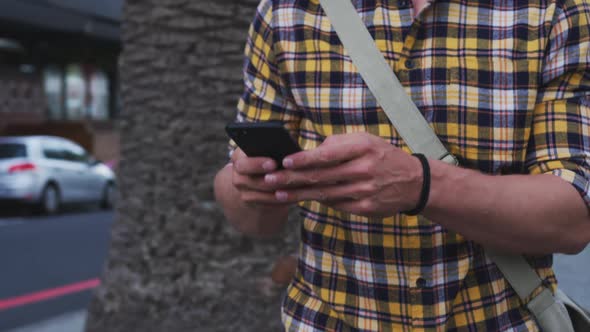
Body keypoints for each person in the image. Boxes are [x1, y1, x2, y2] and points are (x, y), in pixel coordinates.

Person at [214, 0, 590, 330]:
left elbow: (573, 220)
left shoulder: (554, 10)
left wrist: (421, 185)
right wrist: (250, 187)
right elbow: (254, 222)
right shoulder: (287, 11)